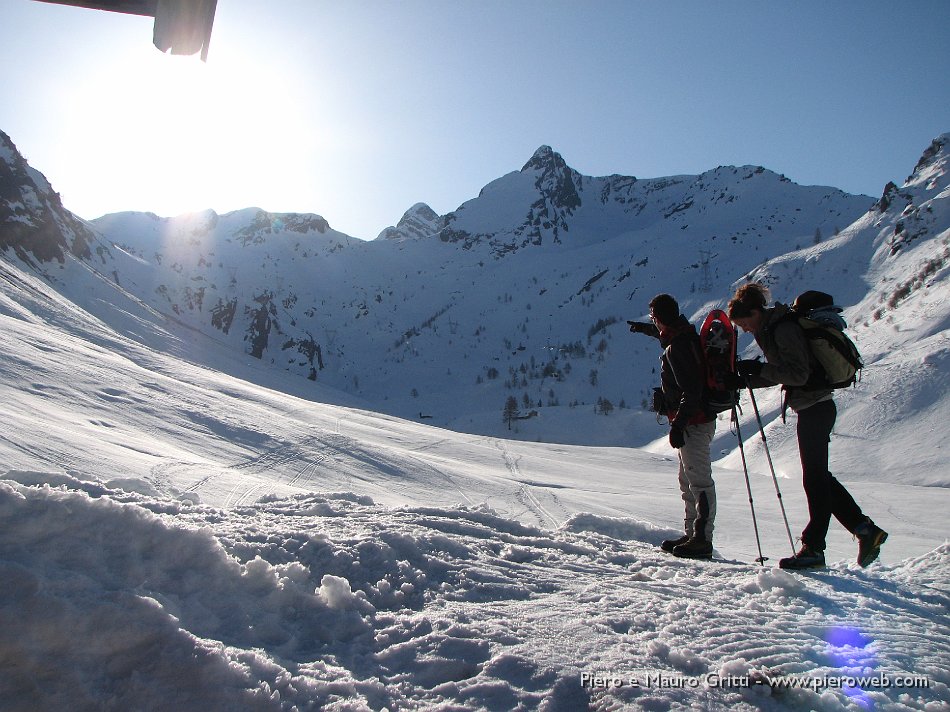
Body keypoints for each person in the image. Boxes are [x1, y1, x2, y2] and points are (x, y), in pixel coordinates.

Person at [726, 283, 887, 569]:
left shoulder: (782, 329)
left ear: (754, 312)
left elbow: (797, 374)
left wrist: (758, 370)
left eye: (745, 323)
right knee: (819, 477)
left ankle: (815, 548)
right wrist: (748, 377)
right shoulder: (772, 328)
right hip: (813, 407)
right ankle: (864, 530)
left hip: (816, 406)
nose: (746, 330)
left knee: (814, 478)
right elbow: (786, 372)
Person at [629, 294, 717, 559]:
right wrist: (648, 331)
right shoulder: (682, 335)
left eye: (653, 317)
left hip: (694, 423)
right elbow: (667, 338)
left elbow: (691, 390)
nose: (653, 321)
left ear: (660, 317)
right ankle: (692, 534)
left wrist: (678, 425)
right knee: (687, 480)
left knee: (699, 482)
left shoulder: (678, 346)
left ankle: (701, 539)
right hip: (694, 421)